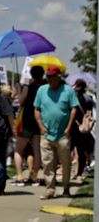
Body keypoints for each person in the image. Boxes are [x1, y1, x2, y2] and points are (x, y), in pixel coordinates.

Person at [34, 65, 79, 200]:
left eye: (52, 76)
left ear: (59, 77)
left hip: (63, 134)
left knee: (65, 162)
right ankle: (50, 190)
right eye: (48, 76)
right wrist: (41, 126)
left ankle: (66, 188)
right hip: (46, 134)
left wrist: (69, 127)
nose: (50, 79)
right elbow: (37, 109)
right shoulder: (41, 90)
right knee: (47, 163)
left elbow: (74, 108)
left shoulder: (68, 91)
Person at [12, 65, 45, 186]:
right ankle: (34, 175)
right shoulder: (45, 87)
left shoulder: (28, 87)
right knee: (37, 150)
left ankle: (20, 176)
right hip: (39, 122)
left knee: (19, 150)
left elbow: (20, 101)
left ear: (31, 75)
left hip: (26, 121)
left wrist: (20, 91)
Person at [70, 78, 95, 182]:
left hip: (73, 127)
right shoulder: (88, 99)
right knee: (81, 152)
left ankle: (71, 172)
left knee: (69, 151)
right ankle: (79, 173)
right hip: (84, 128)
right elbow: (90, 114)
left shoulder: (72, 98)